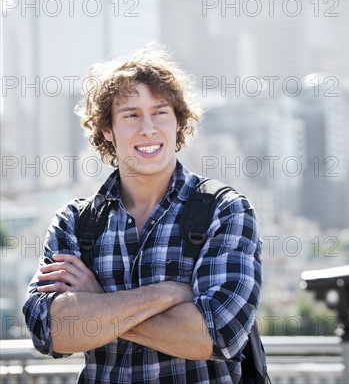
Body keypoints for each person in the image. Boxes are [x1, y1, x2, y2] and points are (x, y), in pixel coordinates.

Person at [23, 47, 262, 383]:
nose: (148, 129)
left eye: (160, 112)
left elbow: (218, 333)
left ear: (178, 121)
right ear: (108, 129)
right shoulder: (76, 222)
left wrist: (97, 303)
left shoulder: (223, 211)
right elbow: (48, 330)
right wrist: (168, 294)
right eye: (131, 115)